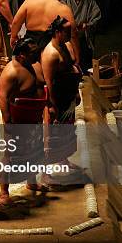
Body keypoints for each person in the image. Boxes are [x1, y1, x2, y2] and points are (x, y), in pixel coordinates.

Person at [0, 38, 47, 204]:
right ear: (21, 55)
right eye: (32, 53)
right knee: (10, 155)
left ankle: (31, 182)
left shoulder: (33, 65)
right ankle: (4, 191)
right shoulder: (12, 72)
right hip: (16, 117)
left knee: (33, 150)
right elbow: (3, 97)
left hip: (32, 117)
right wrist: (7, 121)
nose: (36, 55)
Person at [40, 17, 82, 168]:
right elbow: (49, 82)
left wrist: (76, 91)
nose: (69, 34)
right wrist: (51, 105)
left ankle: (64, 159)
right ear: (57, 32)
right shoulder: (49, 54)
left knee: (68, 131)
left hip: (68, 95)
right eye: (66, 31)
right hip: (57, 96)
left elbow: (73, 67)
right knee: (52, 135)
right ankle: (46, 173)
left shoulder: (67, 45)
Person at [10, 0, 79, 64]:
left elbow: (15, 23)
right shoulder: (64, 9)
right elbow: (73, 35)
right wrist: (77, 57)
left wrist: (13, 36)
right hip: (51, 49)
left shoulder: (29, 1)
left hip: (29, 48)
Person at [62, 0, 101, 71]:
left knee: (86, 67)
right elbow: (59, 21)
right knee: (71, 66)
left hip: (85, 37)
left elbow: (97, 18)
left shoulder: (90, 2)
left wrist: (87, 25)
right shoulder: (64, 2)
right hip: (69, 39)